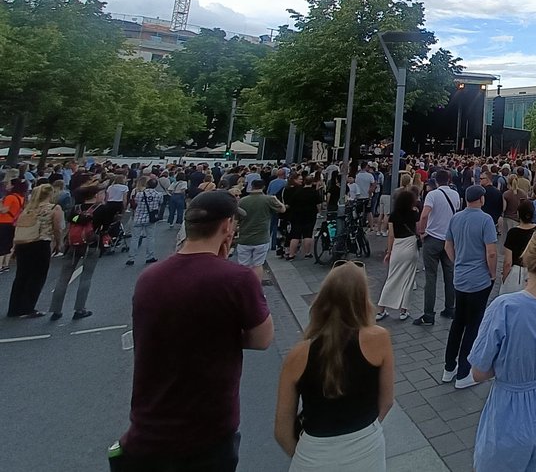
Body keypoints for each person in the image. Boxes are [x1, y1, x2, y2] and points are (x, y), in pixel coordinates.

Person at [111, 190, 274, 471]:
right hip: (206, 432)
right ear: (227, 226)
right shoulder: (237, 278)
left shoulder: (149, 277)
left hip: (147, 429)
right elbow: (263, 338)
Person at [468, 229, 536, 472]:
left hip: (509, 410)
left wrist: (509, 363)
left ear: (525, 259)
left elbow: (478, 372)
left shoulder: (504, 307)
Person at [274, 261, 394, 470]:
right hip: (366, 449)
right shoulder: (378, 339)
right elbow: (387, 401)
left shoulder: (298, 355)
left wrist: (305, 456)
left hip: (313, 454)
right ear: (363, 299)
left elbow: (282, 429)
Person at [441, 185, 497, 388]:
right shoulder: (485, 220)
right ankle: (464, 372)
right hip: (479, 279)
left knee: (458, 323)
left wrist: (458, 262)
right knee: (473, 326)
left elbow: (448, 245)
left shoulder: (456, 218)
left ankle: (449, 368)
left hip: (461, 277)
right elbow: (491, 251)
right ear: (481, 199)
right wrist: (492, 273)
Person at [50, 184, 109, 321]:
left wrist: (81, 218)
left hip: (73, 244)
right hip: (91, 244)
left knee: (63, 277)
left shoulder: (76, 208)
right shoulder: (102, 209)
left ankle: (56, 310)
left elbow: (72, 219)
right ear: (96, 195)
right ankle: (79, 308)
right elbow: (104, 227)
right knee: (86, 277)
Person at [7, 183, 63, 318]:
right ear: (50, 194)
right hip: (41, 243)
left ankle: (14, 308)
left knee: (21, 276)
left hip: (23, 244)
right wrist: (58, 243)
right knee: (37, 276)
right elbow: (57, 228)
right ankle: (27, 307)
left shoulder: (28, 209)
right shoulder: (54, 208)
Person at [413, 168, 461, 326]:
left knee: (431, 277)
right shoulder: (455, 195)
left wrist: (421, 230)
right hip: (449, 239)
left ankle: (428, 314)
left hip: (432, 238)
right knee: (449, 275)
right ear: (449, 180)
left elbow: (425, 214)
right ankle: (450, 308)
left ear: (436, 180)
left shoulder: (432, 195)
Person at [376, 189, 422, 322]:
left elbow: (391, 235)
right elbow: (418, 230)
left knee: (391, 278)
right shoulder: (414, 213)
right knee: (408, 280)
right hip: (410, 246)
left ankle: (381, 310)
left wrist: (388, 252)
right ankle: (404, 310)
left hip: (397, 246)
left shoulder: (394, 215)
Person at [236, 178, 285, 282]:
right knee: (258, 265)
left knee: (243, 265)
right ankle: (256, 287)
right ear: (263, 187)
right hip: (261, 238)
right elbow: (282, 209)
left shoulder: (242, 201)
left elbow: (236, 220)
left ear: (251, 186)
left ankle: (244, 287)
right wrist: (276, 200)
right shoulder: (268, 199)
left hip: (245, 238)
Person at [500, 200, 536, 295]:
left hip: (517, 273)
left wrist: (504, 278)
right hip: (535, 272)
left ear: (518, 214)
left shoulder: (513, 233)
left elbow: (507, 262)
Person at [127, 177, 164, 267]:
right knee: (150, 237)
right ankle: (149, 256)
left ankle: (131, 258)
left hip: (138, 217)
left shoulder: (139, 194)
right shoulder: (159, 194)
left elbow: (135, 203)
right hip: (151, 218)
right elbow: (160, 203)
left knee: (135, 238)